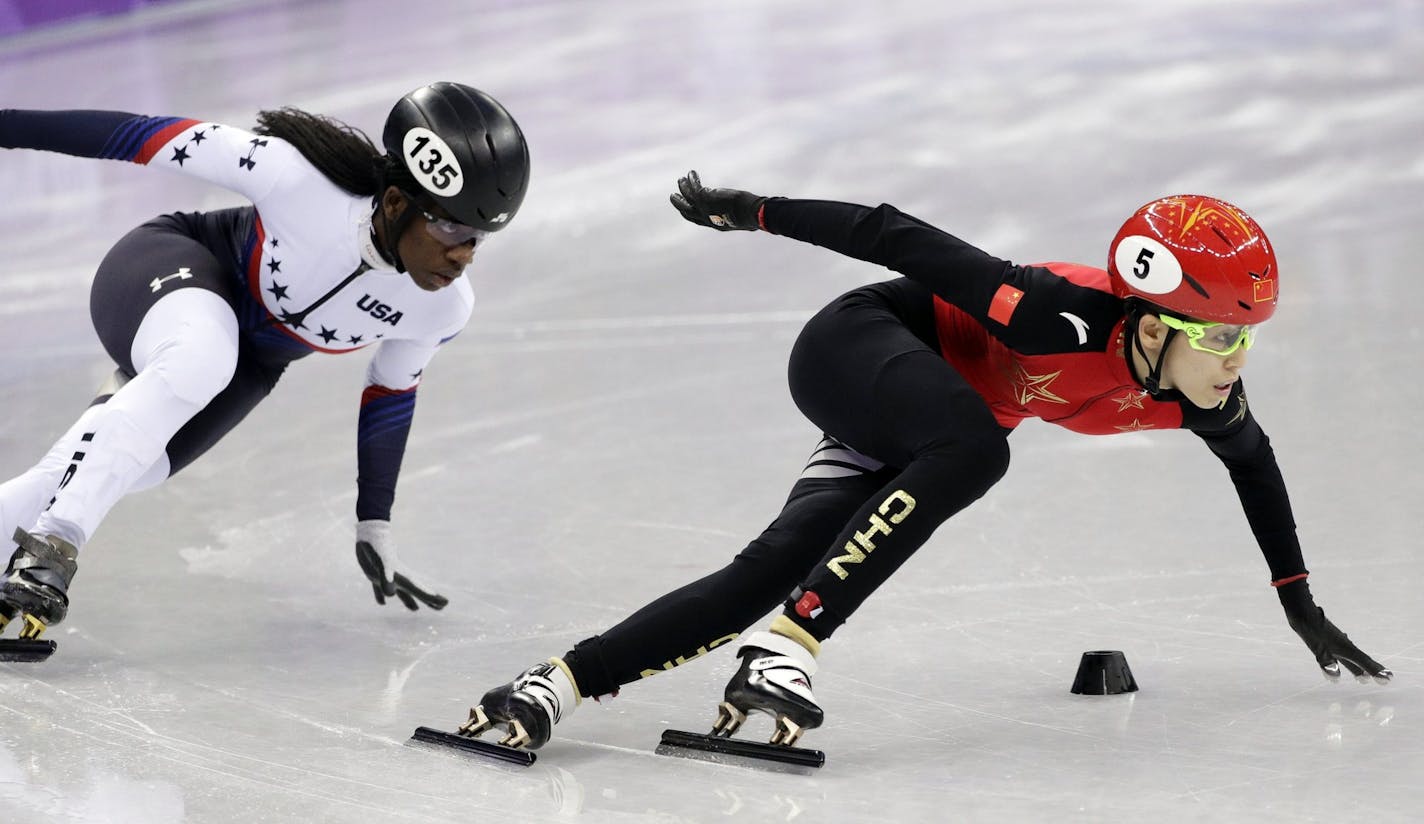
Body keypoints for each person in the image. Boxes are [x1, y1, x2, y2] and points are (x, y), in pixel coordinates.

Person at [455, 171, 1390, 754]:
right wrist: (753, 211)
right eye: (1222, 337)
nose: (1236, 363)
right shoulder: (1051, 312)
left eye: (1246, 342)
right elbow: (893, 234)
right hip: (860, 349)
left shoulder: (1206, 394)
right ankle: (791, 647)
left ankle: (555, 684)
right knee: (977, 448)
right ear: (1154, 323)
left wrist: (1299, 606)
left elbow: (1257, 472)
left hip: (922, 429)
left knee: (770, 570)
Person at [0, 83, 529, 644]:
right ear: (397, 203)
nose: (463, 254)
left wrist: (374, 520)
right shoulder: (296, 179)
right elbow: (139, 135)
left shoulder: (442, 306)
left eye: (478, 237)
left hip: (248, 365)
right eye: (450, 226)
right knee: (204, 355)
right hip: (168, 268)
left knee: (124, 465)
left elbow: (391, 394)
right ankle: (54, 546)